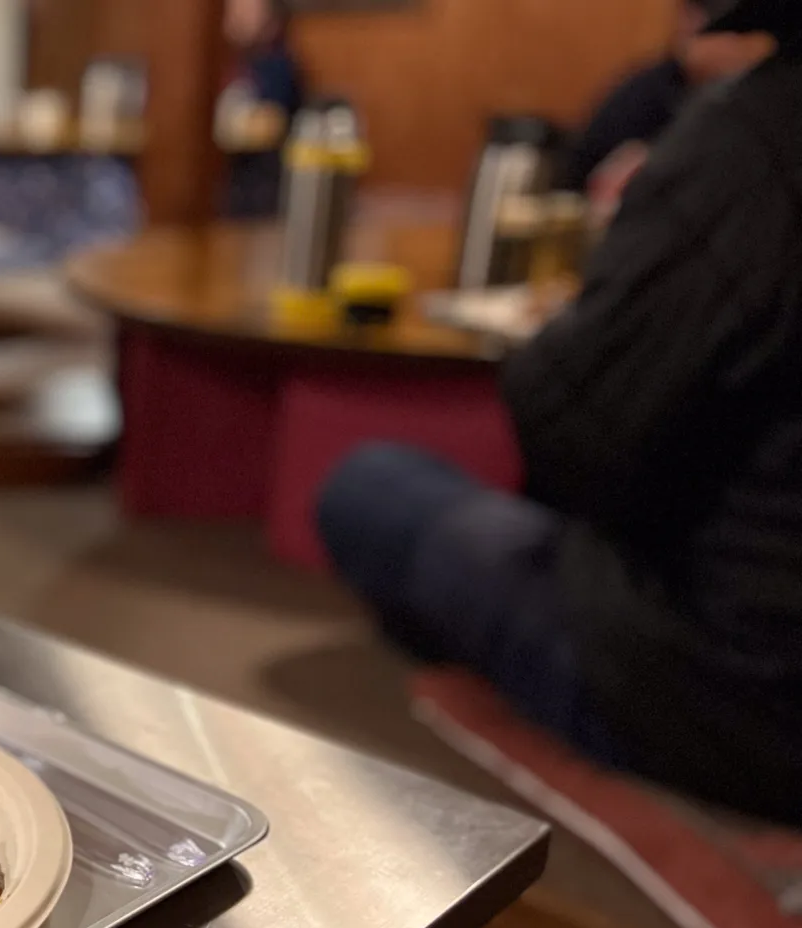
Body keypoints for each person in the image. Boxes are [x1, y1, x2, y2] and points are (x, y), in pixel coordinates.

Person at [314, 0, 802, 825]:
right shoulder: (691, 112)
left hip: (735, 691)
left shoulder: (759, 134)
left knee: (368, 486)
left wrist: (564, 332)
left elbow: (578, 438)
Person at [556, 0, 774, 193]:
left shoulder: (745, 100)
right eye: (728, 34)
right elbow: (582, 173)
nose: (736, 48)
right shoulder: (643, 91)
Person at [215, 0, 304, 219]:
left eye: (246, 9)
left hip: (266, 192)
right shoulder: (233, 61)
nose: (235, 17)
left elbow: (269, 124)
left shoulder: (277, 64)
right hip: (234, 181)